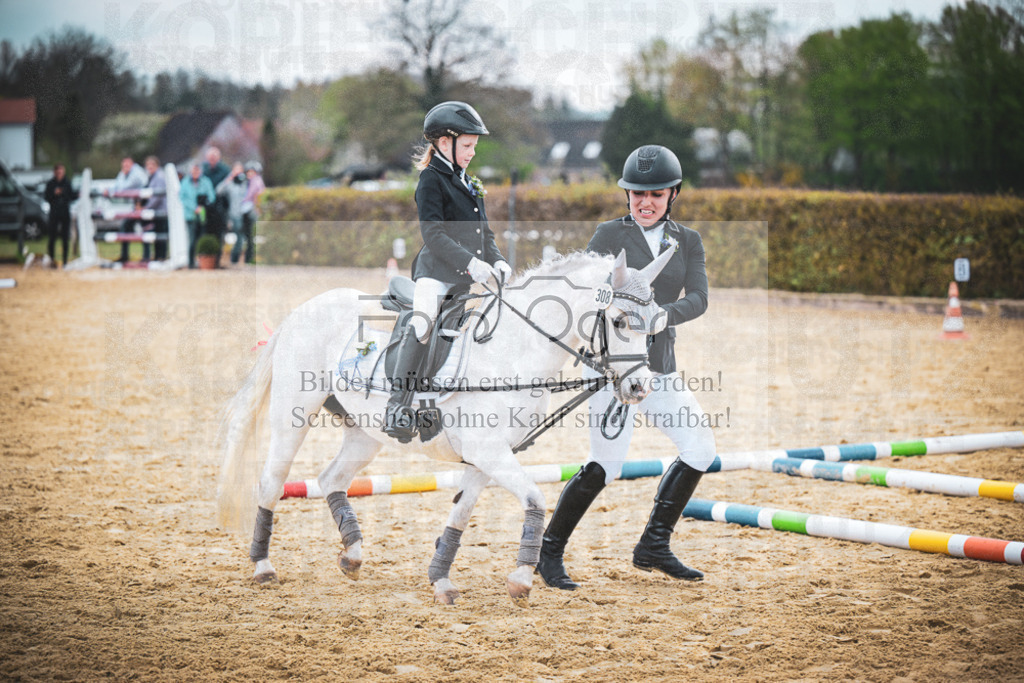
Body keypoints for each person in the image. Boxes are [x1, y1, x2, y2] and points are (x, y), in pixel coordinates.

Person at [536, 144, 716, 589]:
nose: (646, 202)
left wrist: (663, 315)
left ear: (673, 193)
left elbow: (700, 298)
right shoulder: (608, 236)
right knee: (606, 465)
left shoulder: (688, 241)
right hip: (610, 371)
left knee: (700, 449)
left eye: (655, 194)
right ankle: (548, 553)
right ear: (628, 196)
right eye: (637, 194)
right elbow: (587, 295)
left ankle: (654, 545)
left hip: (658, 367)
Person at [382, 101, 512, 443]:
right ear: (444, 143)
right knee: (424, 322)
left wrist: (497, 259)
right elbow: (434, 235)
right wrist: (471, 263)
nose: (472, 153)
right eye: (467, 146)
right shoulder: (431, 180)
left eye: (474, 147)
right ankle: (397, 405)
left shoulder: (469, 182)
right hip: (435, 273)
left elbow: (485, 234)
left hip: (466, 278)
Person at [109, 156, 148, 263]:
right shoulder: (125, 173)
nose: (125, 167)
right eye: (123, 165)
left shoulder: (136, 173)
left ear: (132, 164)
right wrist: (109, 190)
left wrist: (113, 190)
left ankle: (146, 257)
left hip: (144, 203)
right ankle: (125, 256)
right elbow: (117, 186)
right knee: (126, 227)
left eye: (127, 165)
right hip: (135, 204)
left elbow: (123, 188)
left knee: (146, 229)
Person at [180, 162, 217, 268]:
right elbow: (182, 197)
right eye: (194, 170)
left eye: (197, 170)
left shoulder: (206, 182)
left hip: (203, 215)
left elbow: (211, 196)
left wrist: (203, 206)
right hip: (190, 215)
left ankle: (201, 262)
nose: (196, 172)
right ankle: (191, 263)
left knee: (202, 238)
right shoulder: (185, 182)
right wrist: (194, 207)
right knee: (192, 239)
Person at [202, 147, 231, 263]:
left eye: (214, 157)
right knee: (205, 232)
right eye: (210, 157)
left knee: (219, 234)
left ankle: (217, 259)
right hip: (206, 208)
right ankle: (206, 257)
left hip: (220, 208)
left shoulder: (225, 171)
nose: (212, 159)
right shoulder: (203, 170)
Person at [233, 161, 265, 265]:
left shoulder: (256, 182)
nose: (249, 174)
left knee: (250, 237)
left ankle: (249, 259)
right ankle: (246, 259)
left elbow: (252, 196)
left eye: (251, 172)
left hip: (251, 212)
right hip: (246, 212)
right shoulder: (248, 182)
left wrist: (243, 201)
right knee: (247, 236)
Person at [44, 164, 73, 267]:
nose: (60, 173)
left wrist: (63, 193)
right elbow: (46, 197)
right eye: (58, 171)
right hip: (54, 213)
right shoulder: (51, 184)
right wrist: (54, 193)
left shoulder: (67, 182)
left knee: (65, 238)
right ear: (55, 172)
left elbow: (71, 196)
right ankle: (52, 260)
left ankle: (65, 261)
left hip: (65, 212)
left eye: (62, 171)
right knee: (52, 237)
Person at [140, 156, 168, 261]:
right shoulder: (152, 176)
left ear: (156, 165)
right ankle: (157, 257)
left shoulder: (159, 177)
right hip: (155, 211)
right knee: (156, 235)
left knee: (160, 235)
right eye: (148, 165)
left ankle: (161, 257)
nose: (149, 167)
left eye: (152, 165)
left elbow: (157, 197)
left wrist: (146, 207)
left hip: (160, 211)